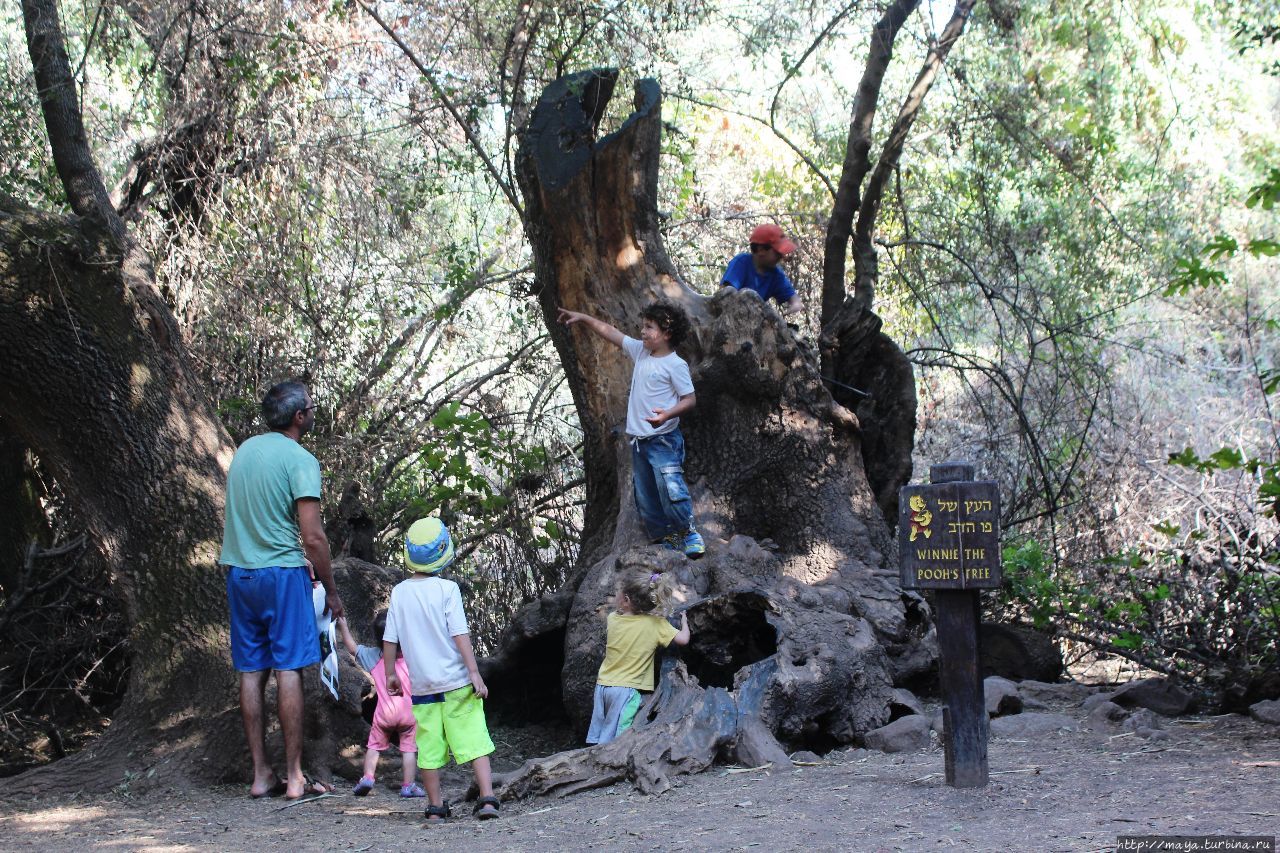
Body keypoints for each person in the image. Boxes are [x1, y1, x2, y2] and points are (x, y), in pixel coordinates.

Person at [220, 380, 344, 800]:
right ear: (299, 417)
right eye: (311, 406)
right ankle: (294, 777)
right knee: (289, 668)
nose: (313, 410)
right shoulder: (300, 459)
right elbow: (313, 538)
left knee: (252, 671)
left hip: (240, 574)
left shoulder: (244, 452)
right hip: (282, 575)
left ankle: (260, 774)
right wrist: (331, 588)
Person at [556, 300, 705, 558]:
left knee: (670, 488)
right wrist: (583, 317)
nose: (643, 331)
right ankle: (665, 537)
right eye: (642, 326)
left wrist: (667, 414)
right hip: (639, 441)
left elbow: (689, 399)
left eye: (649, 327)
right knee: (646, 494)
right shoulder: (641, 352)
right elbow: (612, 333)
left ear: (667, 333)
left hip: (663, 439)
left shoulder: (675, 364)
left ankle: (688, 532)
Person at [383, 517, 501, 821]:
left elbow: (390, 638)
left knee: (428, 746)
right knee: (473, 736)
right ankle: (487, 798)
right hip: (456, 682)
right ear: (444, 552)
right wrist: (474, 672)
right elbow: (459, 633)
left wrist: (390, 674)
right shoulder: (448, 589)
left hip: (423, 687)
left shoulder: (399, 593)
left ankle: (435, 807)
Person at [587, 569, 691, 745]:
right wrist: (684, 623)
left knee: (603, 733)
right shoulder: (657, 624)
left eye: (618, 593)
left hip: (603, 686)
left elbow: (620, 612)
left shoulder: (613, 619)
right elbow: (683, 639)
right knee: (619, 738)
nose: (615, 596)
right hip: (626, 690)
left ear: (626, 600)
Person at [336, 611, 425, 798]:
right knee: (408, 749)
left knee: (374, 747)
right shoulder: (413, 657)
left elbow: (352, 648)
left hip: (383, 714)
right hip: (408, 714)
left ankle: (367, 778)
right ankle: (408, 785)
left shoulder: (374, 657)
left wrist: (343, 626)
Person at [721, 223, 804, 315]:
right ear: (761, 250)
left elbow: (794, 300)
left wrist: (794, 306)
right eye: (777, 253)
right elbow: (725, 295)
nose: (781, 257)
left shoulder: (776, 274)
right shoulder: (741, 263)